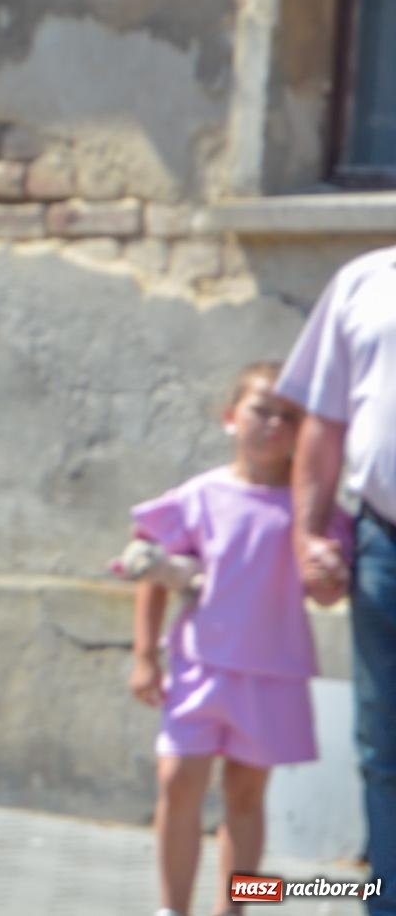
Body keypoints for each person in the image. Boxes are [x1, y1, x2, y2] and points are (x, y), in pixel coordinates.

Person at [126, 362, 350, 916]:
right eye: (261, 410)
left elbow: (327, 591)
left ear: (306, 430)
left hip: (273, 673)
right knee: (178, 781)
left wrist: (329, 575)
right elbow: (154, 572)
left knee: (246, 797)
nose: (274, 424)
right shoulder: (199, 496)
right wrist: (144, 655)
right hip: (199, 667)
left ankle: (237, 908)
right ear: (230, 417)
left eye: (289, 416)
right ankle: (171, 908)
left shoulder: (312, 509)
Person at [276, 245, 396, 915]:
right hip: (384, 546)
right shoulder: (365, 280)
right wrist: (310, 533)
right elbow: (325, 418)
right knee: (384, 745)